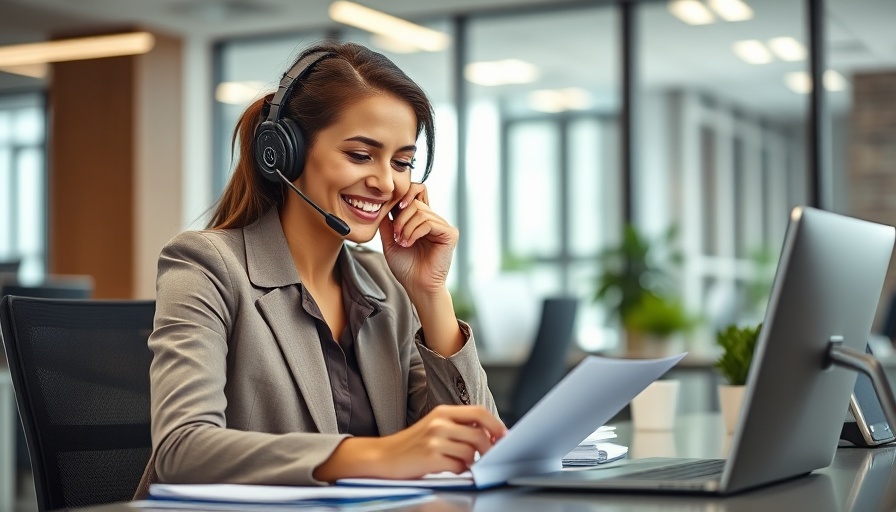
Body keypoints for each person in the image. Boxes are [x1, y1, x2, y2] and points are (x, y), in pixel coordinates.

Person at [135, 41, 504, 496]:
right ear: (285, 152)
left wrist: (430, 293)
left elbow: (478, 445)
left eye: (403, 162)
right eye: (360, 155)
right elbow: (181, 451)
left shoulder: (386, 286)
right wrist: (381, 455)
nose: (386, 182)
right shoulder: (206, 266)